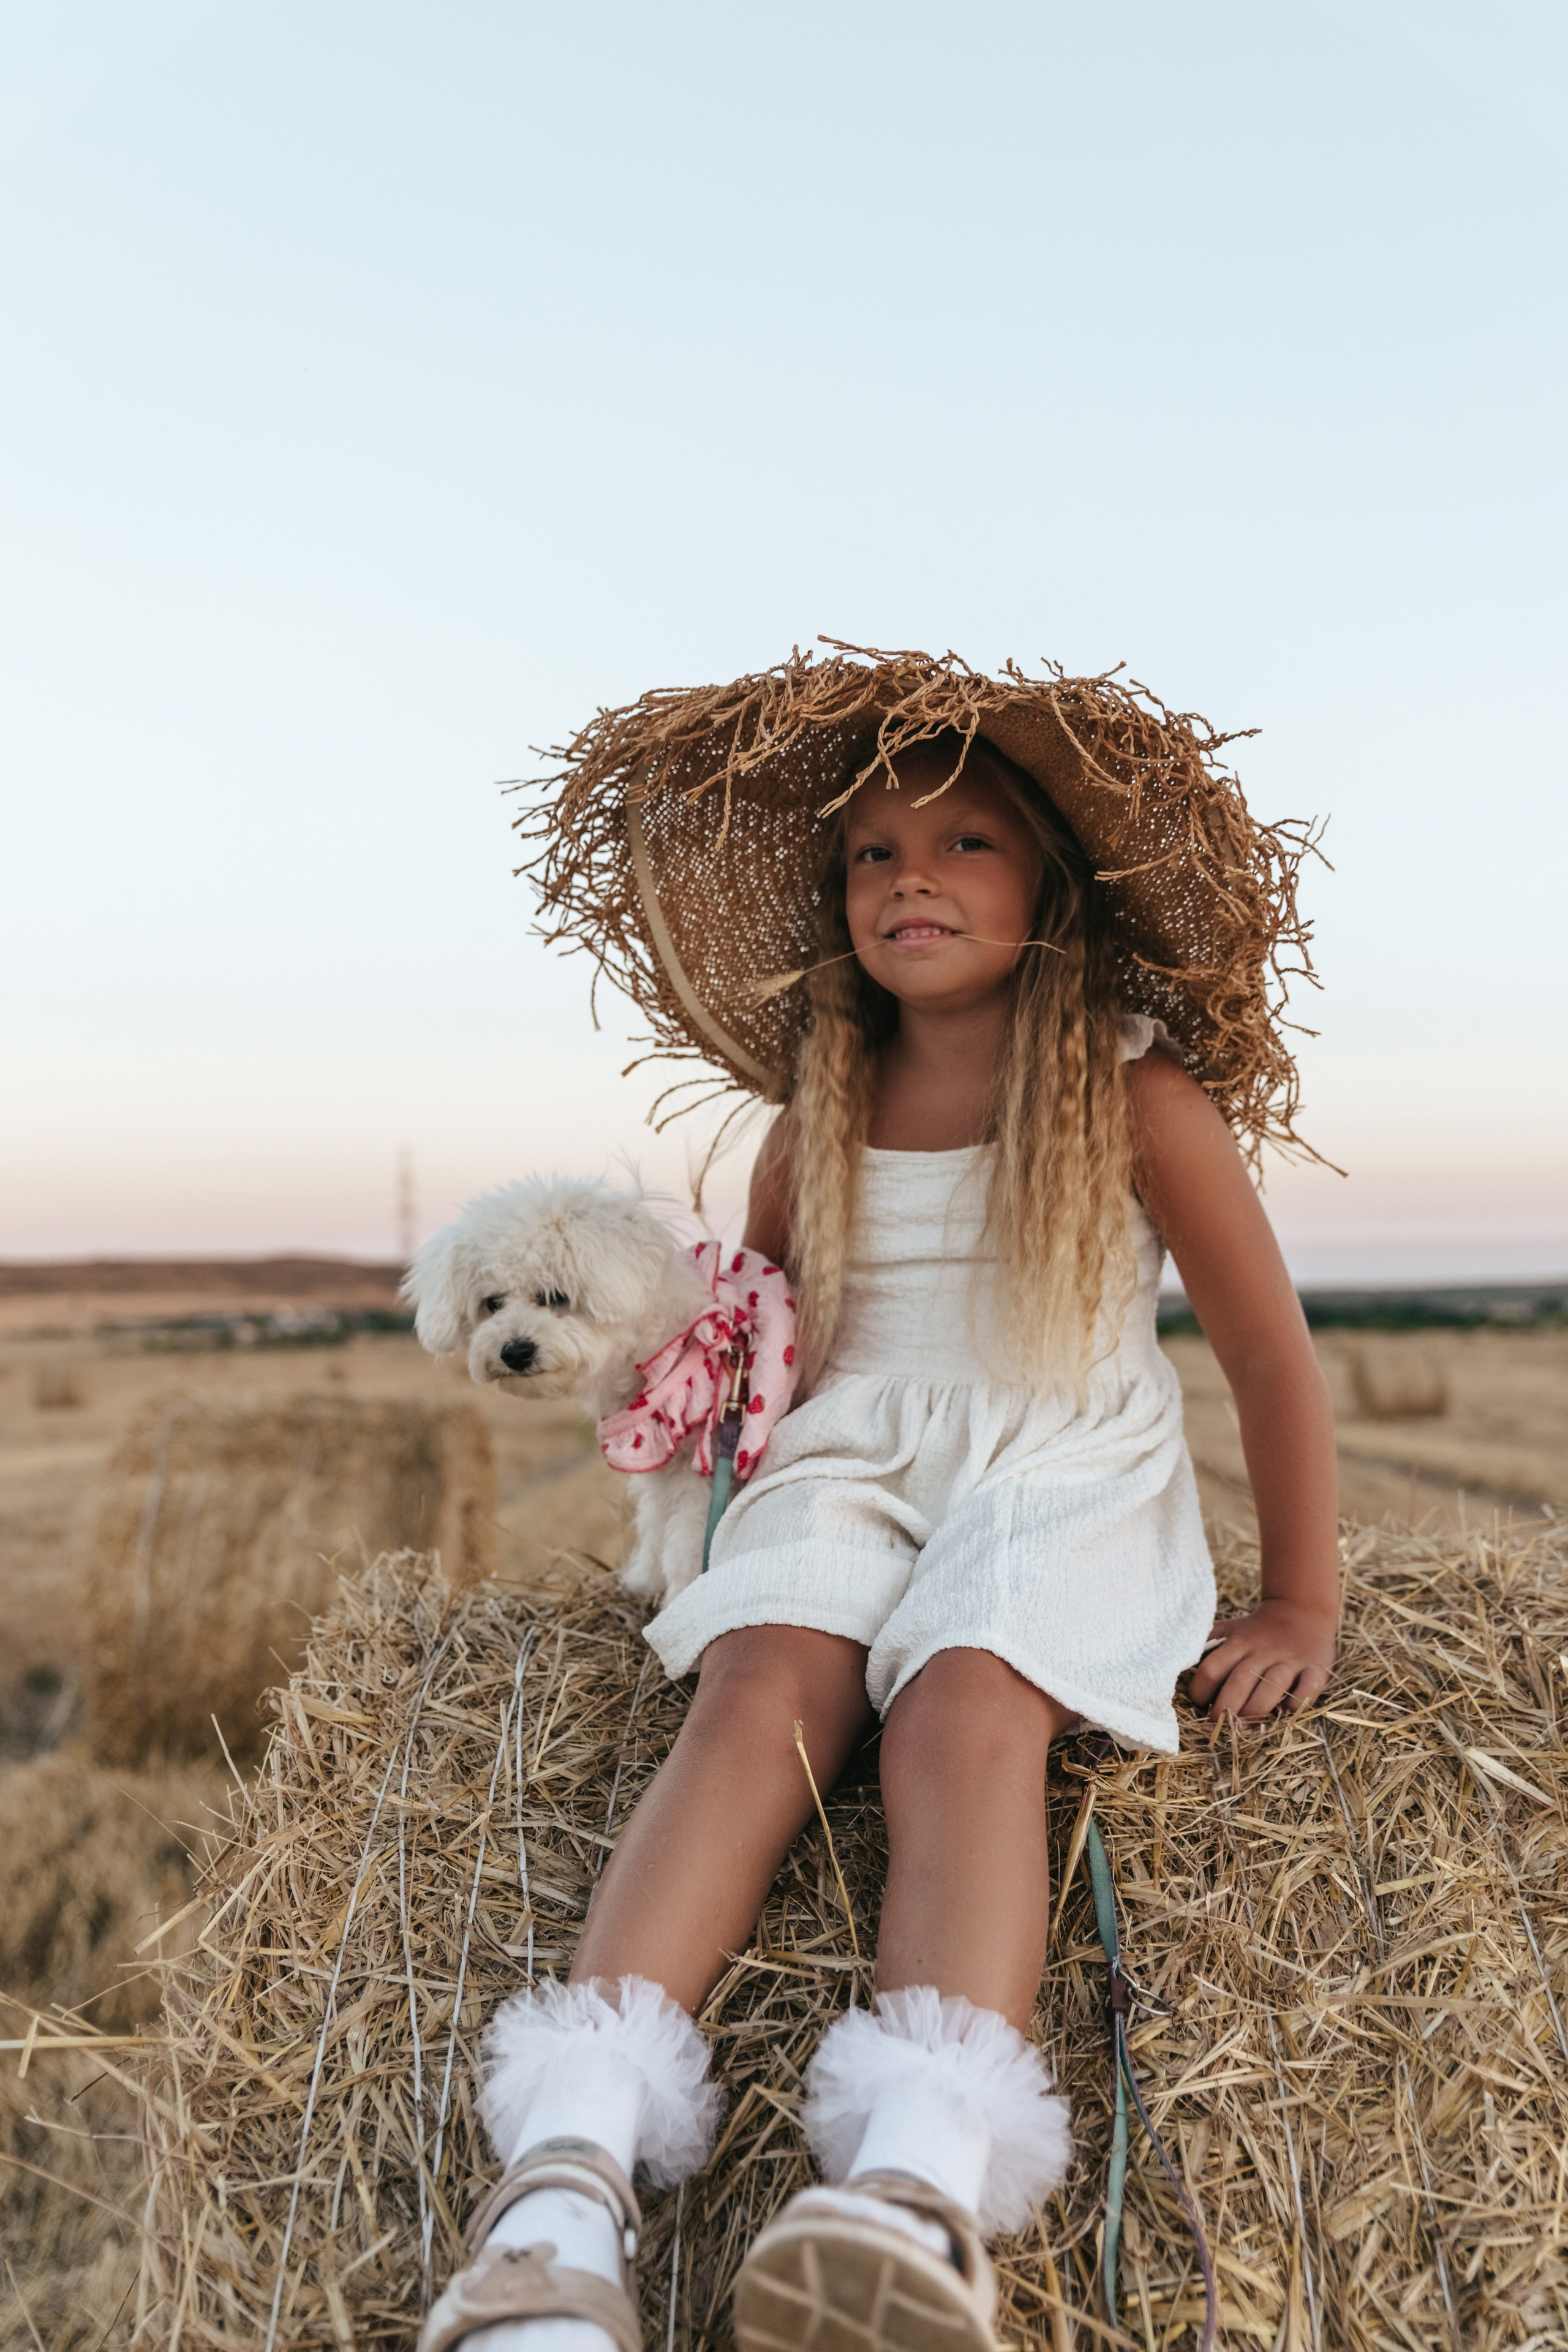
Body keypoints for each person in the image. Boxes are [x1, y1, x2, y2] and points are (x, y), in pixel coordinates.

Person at [419, 658, 1340, 2352]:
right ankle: (562, 2187)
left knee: (963, 1709)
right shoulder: (812, 1123)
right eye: (874, 854)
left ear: (1049, 887)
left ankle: (914, 2184)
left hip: (1058, 1465)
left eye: (966, 842)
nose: (912, 876)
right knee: (761, 1686)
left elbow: (1270, 1358)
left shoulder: (1135, 1098)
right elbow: (764, 1348)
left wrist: (1301, 1604)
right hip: (851, 1458)